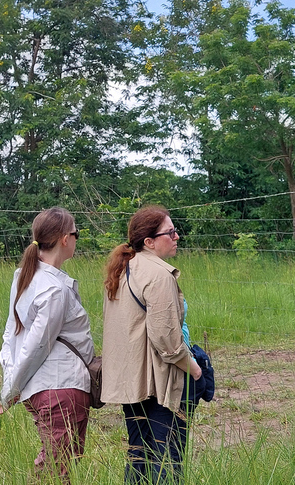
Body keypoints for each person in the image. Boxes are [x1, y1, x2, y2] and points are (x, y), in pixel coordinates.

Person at [0, 207, 94, 484]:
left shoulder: (26, 277)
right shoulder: (52, 289)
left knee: (62, 466)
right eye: (76, 233)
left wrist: (10, 384)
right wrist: (9, 391)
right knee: (54, 471)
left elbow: (10, 337)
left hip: (47, 389)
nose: (76, 239)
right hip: (59, 388)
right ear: (63, 239)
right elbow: (35, 346)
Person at [102, 205, 202, 484]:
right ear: (149, 241)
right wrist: (192, 367)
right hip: (159, 382)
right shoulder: (159, 275)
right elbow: (167, 340)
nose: (177, 236)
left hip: (131, 382)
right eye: (170, 232)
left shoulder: (123, 270)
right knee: (167, 457)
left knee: (138, 454)